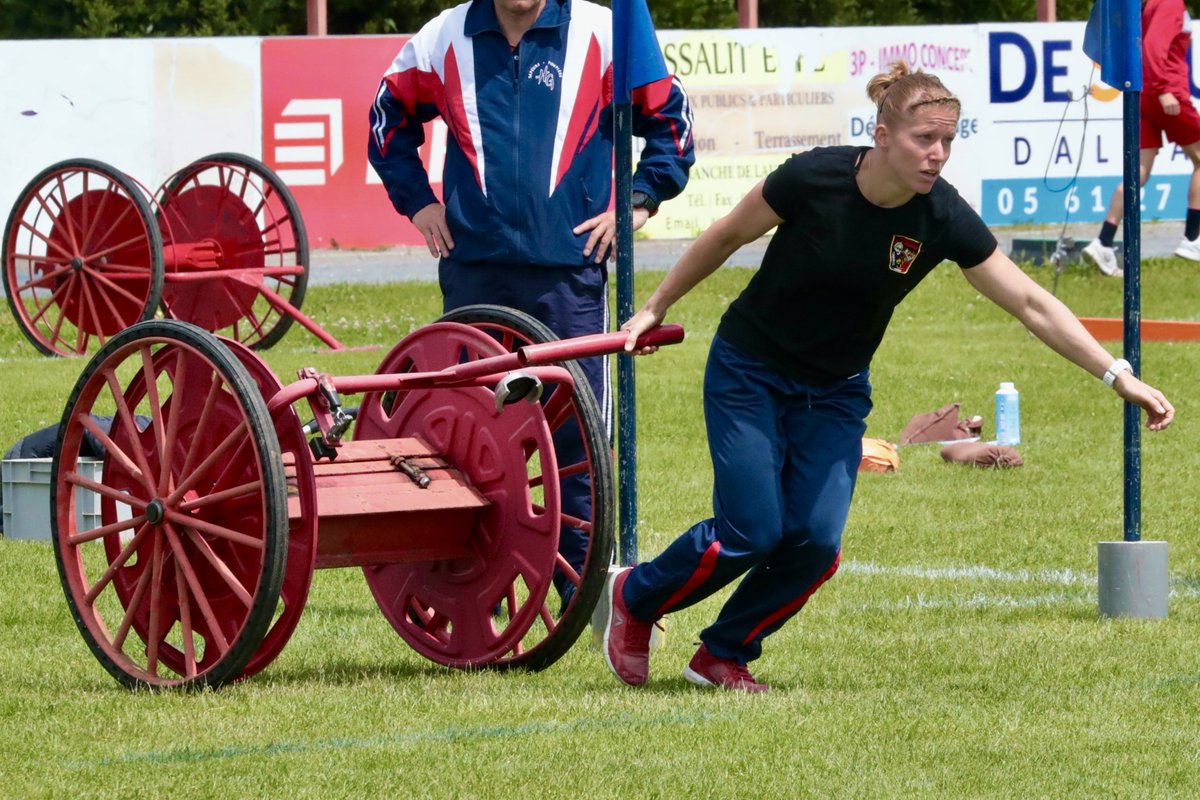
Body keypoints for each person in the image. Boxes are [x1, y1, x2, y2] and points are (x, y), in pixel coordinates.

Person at [602, 61, 1176, 693]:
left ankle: (723, 653)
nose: (938, 155)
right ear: (881, 135)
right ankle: (638, 596)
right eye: (924, 139)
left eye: (949, 141)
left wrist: (1117, 373)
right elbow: (723, 236)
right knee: (752, 531)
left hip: (837, 390)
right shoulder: (812, 176)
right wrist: (656, 305)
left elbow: (1032, 303)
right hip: (751, 371)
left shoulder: (943, 216)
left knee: (816, 545)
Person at [367, 0, 694, 606]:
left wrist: (638, 199)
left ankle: (580, 591)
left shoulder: (608, 29)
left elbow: (671, 123)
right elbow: (387, 121)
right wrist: (418, 202)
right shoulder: (444, 35)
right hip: (474, 273)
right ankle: (472, 588)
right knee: (464, 436)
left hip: (567, 274)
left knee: (576, 438)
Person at [1083, 0, 1200, 277]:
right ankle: (1193, 238)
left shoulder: (1148, 5)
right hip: (1165, 93)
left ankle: (1104, 241)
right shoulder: (1170, 3)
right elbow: (1153, 48)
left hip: (1143, 95)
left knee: (1138, 172)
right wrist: (1163, 89)